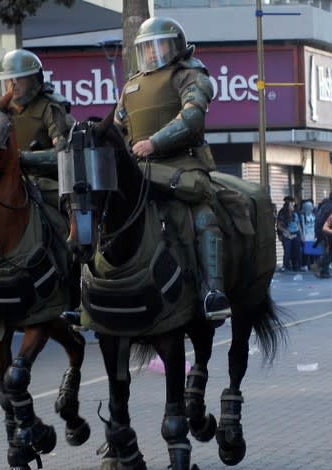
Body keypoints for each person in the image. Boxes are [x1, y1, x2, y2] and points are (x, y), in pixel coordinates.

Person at [114, 16, 230, 323]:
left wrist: (153, 143)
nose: (152, 52)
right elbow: (117, 127)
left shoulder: (190, 74)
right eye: (146, 48)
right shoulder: (131, 86)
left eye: (159, 45)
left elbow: (192, 118)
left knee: (204, 217)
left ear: (175, 46)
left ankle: (213, 293)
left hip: (183, 164)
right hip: (139, 170)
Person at [0, 48, 75, 209]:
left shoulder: (50, 107)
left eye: (19, 78)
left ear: (34, 79)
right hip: (7, 181)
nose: (13, 84)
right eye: (8, 79)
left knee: (69, 211)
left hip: (43, 181)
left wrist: (23, 158)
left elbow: (64, 151)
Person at [314, 191, 332, 278]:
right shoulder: (331, 208)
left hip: (322, 233)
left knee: (329, 252)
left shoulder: (324, 206)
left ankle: (324, 272)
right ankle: (317, 265)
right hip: (327, 233)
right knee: (329, 252)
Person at [277, 196, 302, 271]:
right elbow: (279, 225)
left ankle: (296, 266)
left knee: (297, 250)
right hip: (287, 234)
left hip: (296, 233)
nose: (293, 205)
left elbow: (298, 224)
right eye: (291, 204)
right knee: (287, 251)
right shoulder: (282, 213)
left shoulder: (296, 212)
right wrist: (284, 232)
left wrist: (301, 235)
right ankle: (286, 266)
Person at [298, 199, 319, 271]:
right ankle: (305, 265)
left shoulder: (313, 214)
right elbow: (302, 226)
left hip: (313, 234)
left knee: (313, 250)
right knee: (306, 252)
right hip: (307, 234)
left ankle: (311, 264)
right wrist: (303, 236)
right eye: (310, 206)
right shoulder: (303, 215)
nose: (312, 207)